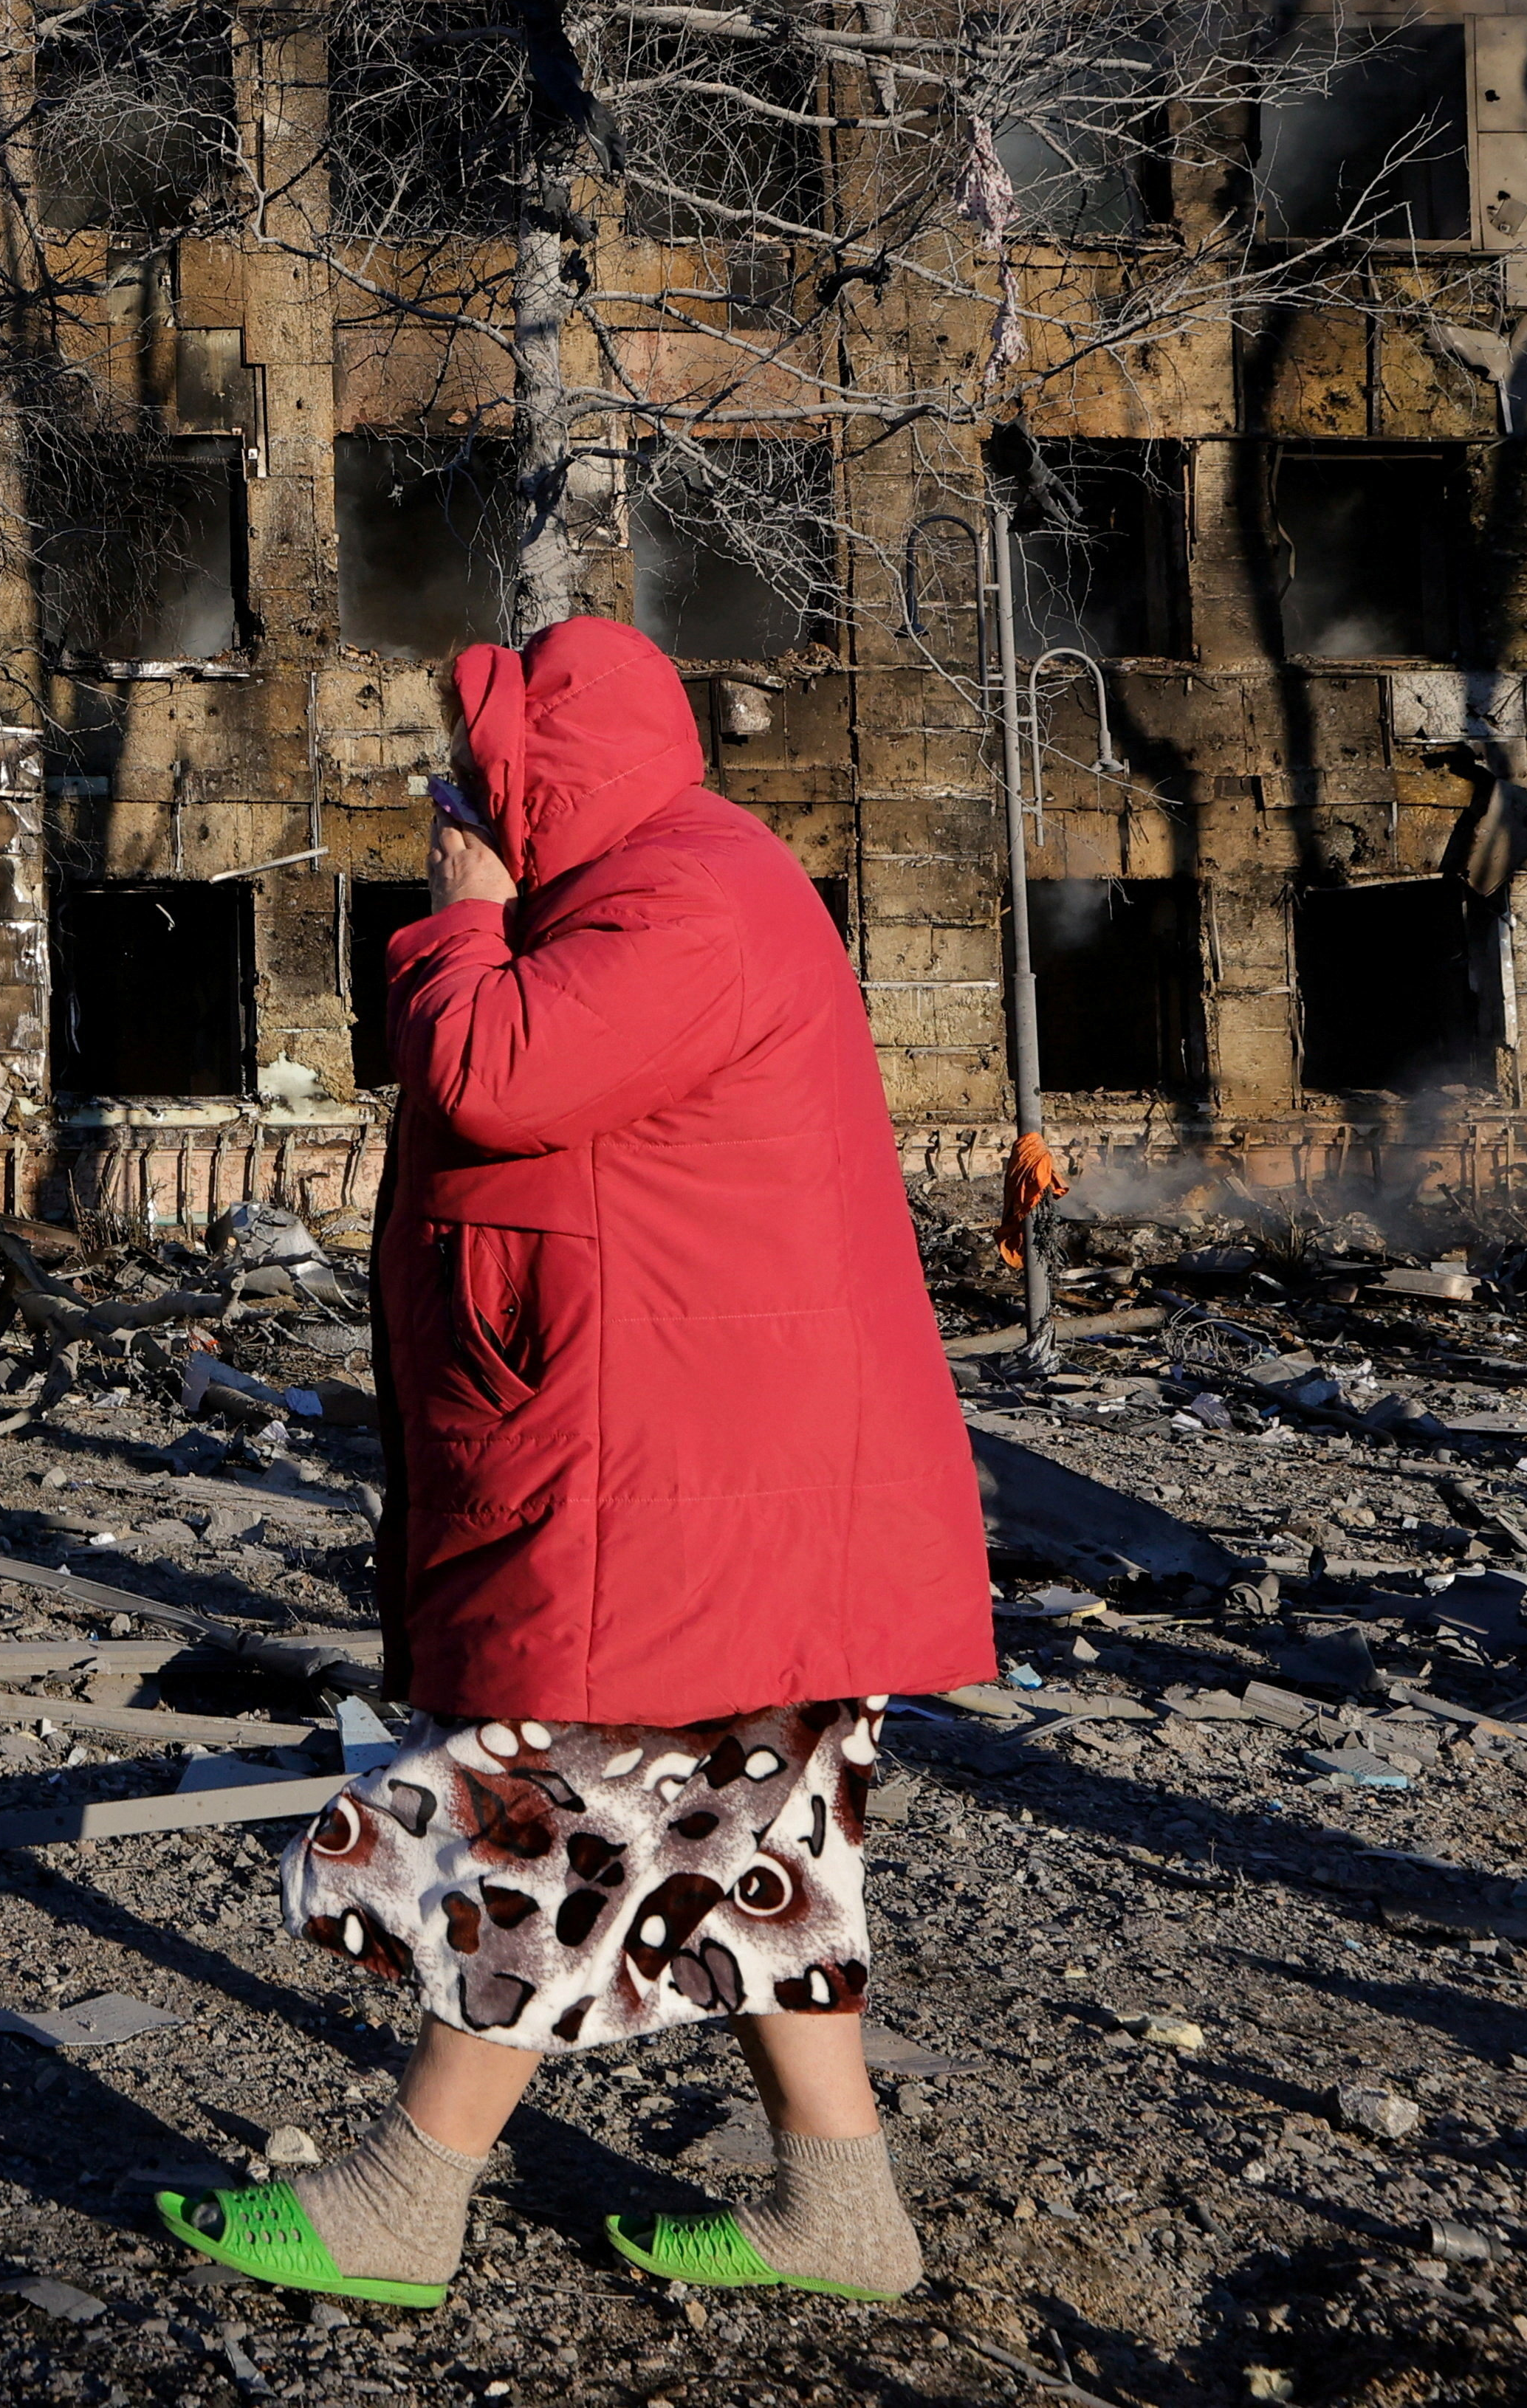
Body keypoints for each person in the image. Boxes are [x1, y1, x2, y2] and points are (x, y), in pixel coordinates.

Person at [162, 616, 993, 2312]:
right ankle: (843, 2211)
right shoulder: (661, 878)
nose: (448, 803)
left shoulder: (682, 902)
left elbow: (486, 1071)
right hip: (728, 1476)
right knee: (769, 1838)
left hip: (683, 1485)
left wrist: (462, 910)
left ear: (547, 775)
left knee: (549, 1819)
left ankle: (407, 2200)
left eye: (472, 775)